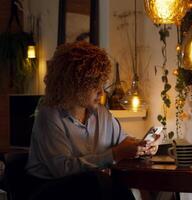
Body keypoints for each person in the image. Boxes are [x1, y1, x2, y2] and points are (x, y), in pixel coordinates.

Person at [25, 41, 151, 200]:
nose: (101, 92)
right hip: (48, 190)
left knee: (112, 184)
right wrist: (113, 155)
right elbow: (62, 169)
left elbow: (123, 141)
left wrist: (141, 146)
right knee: (95, 181)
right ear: (74, 86)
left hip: (89, 189)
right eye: (94, 86)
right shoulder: (49, 115)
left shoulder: (101, 114)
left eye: (102, 85)